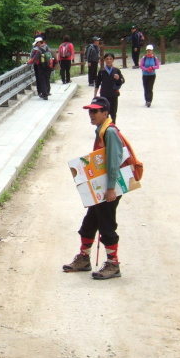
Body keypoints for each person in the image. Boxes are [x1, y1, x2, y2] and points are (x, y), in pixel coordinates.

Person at [62, 97, 124, 280]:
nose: (92, 114)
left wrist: (111, 188)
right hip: (102, 185)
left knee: (106, 223)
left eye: (95, 111)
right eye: (90, 111)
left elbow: (114, 161)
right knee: (90, 222)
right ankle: (84, 258)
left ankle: (113, 264)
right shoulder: (102, 130)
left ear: (106, 113)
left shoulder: (110, 132)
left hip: (108, 187)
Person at [94, 53, 126, 122]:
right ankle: (106, 128)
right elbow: (97, 83)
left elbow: (122, 81)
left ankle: (113, 128)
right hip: (104, 95)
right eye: (107, 59)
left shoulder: (116, 70)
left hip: (114, 94)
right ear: (104, 60)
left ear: (113, 60)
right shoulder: (102, 71)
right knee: (105, 113)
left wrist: (118, 78)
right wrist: (95, 94)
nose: (109, 61)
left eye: (111, 59)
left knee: (113, 113)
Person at [27, 35, 52, 99]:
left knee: (42, 80)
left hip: (41, 66)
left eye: (36, 43)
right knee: (47, 79)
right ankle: (47, 91)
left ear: (39, 42)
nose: (36, 45)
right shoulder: (47, 47)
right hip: (48, 66)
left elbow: (35, 58)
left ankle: (44, 94)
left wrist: (28, 62)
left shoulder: (40, 49)